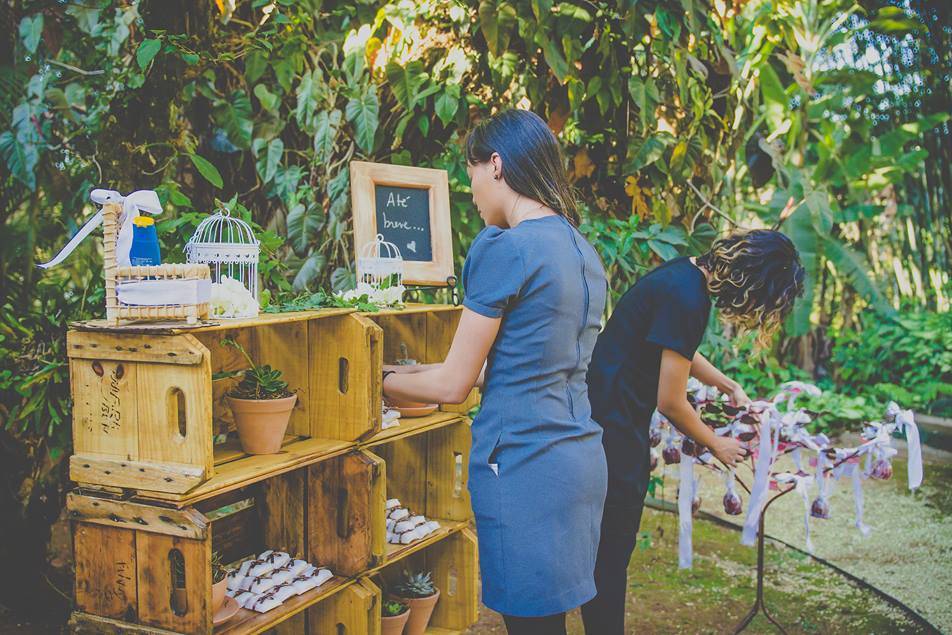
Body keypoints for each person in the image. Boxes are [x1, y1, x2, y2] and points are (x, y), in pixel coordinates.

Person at [382, 109, 608, 635]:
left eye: (472, 173)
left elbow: (453, 386)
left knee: (531, 627)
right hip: (579, 459)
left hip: (524, 465)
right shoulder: (583, 250)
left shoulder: (505, 248)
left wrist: (377, 382)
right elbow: (512, 368)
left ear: (497, 166)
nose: (472, 189)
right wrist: (409, 371)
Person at [580, 230, 805, 634]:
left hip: (605, 418)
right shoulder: (689, 298)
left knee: (604, 558)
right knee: (610, 560)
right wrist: (717, 443)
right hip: (613, 430)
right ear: (753, 282)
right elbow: (671, 401)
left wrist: (727, 385)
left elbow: (675, 346)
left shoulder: (684, 275)